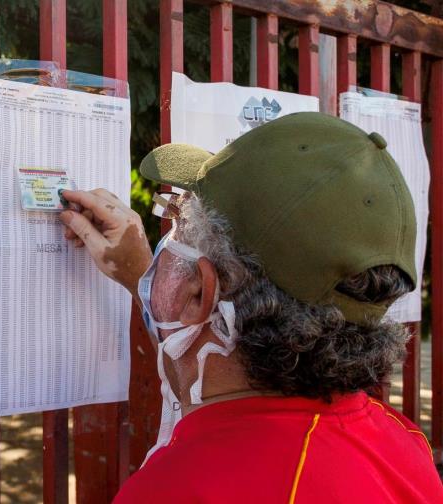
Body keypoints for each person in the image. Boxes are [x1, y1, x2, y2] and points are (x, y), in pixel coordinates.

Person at [59, 113, 443, 503]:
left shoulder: (179, 490)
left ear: (199, 292)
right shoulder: (404, 448)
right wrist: (144, 277)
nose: (168, 234)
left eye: (177, 217)